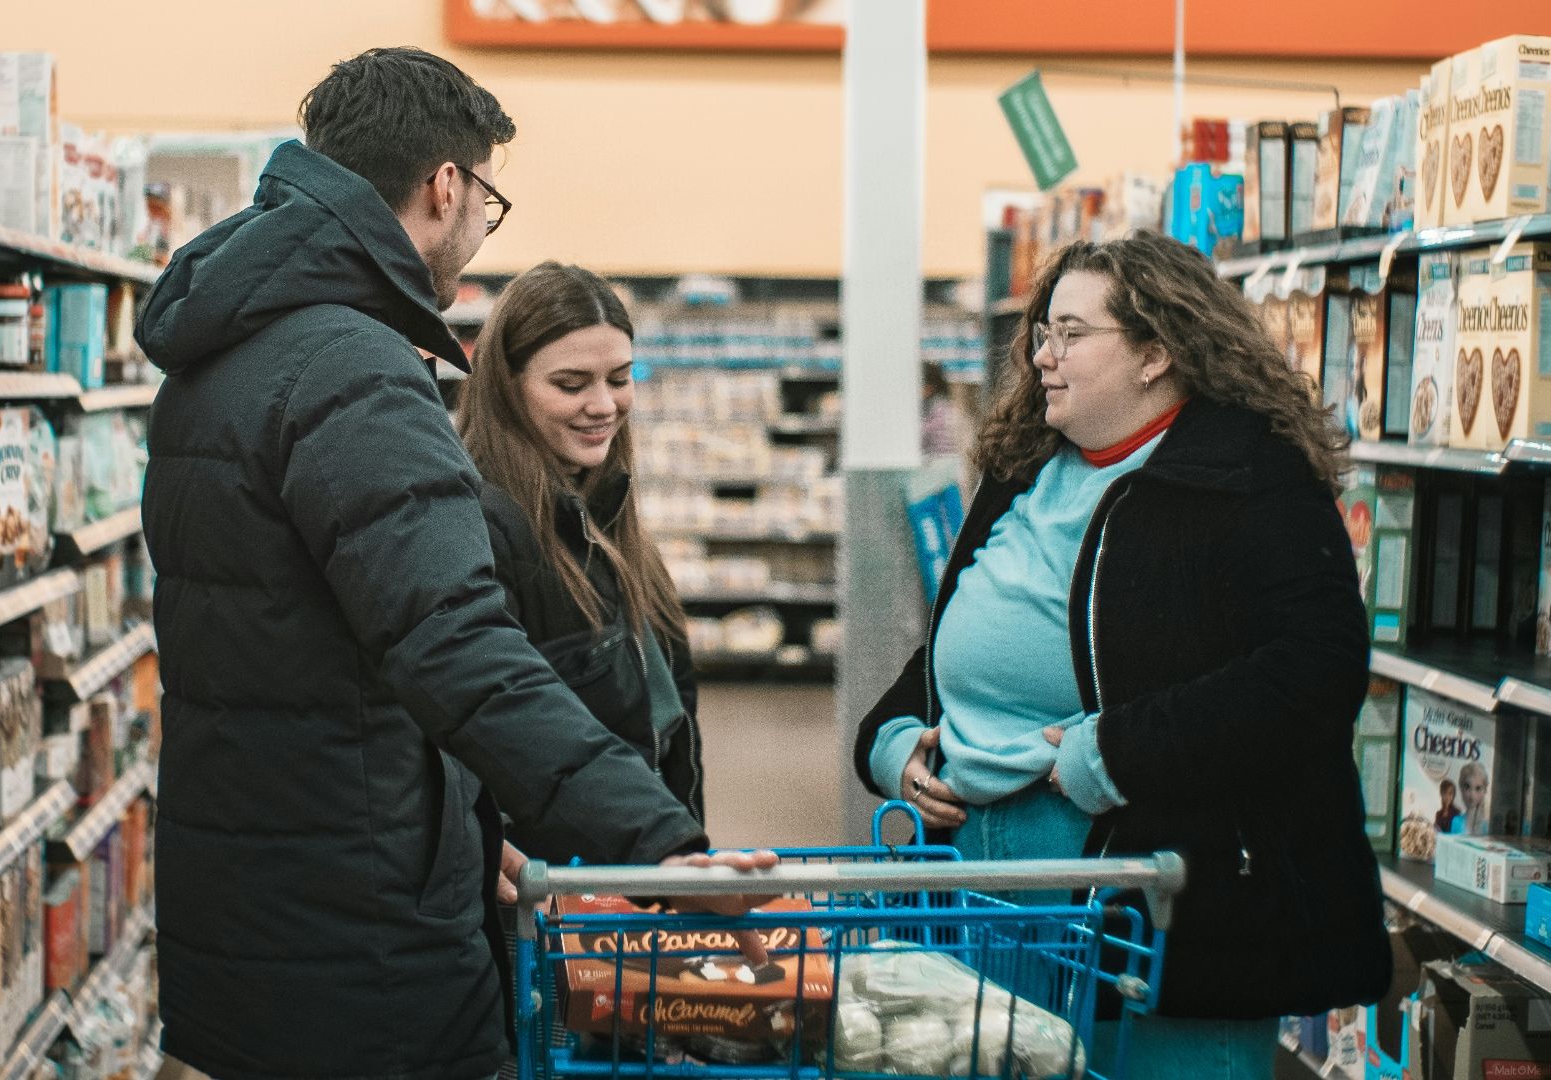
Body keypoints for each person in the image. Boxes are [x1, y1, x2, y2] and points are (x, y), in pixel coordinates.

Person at [137, 48, 771, 1080]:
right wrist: (665, 850)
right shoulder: (355, 368)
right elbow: (456, 646)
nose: (481, 228)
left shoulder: (223, 351)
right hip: (364, 932)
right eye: (488, 200)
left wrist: (473, 836)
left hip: (252, 892)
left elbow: (311, 651)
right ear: (448, 185)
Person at [851, 231, 1391, 1079]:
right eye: (1041, 334)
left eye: (1071, 334)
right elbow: (964, 636)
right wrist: (892, 736)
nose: (1043, 357)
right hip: (984, 900)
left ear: (1155, 353)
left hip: (1156, 909)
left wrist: (1117, 751)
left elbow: (1313, 671)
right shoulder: (1026, 468)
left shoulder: (1247, 477)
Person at [457, 261, 704, 853]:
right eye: (571, 384)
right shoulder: (484, 527)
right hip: (560, 886)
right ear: (508, 387)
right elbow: (504, 729)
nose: (603, 406)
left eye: (620, 378)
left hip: (631, 866)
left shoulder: (608, 509)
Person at [1459, 762, 1490, 834]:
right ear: (1461, 788)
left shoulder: (1488, 824)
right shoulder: (1456, 822)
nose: (1472, 795)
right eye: (1467, 787)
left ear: (1485, 790)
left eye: (1478, 788)